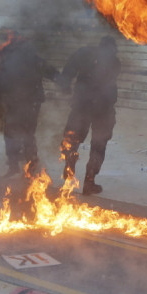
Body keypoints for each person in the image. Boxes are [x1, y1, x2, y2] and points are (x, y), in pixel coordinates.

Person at [58, 36, 121, 195]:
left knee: (73, 138)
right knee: (98, 145)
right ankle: (89, 181)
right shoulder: (114, 61)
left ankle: (69, 167)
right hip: (102, 109)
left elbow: (68, 70)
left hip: (83, 105)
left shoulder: (84, 54)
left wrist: (66, 86)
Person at [0, 33, 58, 177]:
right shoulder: (34, 60)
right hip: (27, 102)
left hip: (21, 102)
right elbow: (52, 72)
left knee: (13, 134)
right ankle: (28, 166)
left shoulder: (10, 60)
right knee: (26, 134)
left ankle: (16, 166)